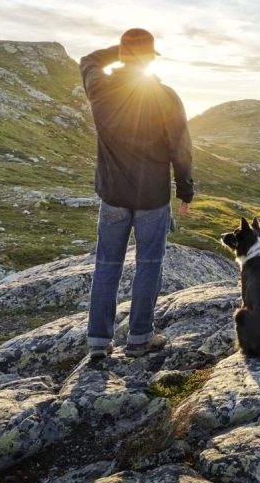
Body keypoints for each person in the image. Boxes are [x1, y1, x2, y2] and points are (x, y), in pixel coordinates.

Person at [80, 27, 194, 360]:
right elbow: (181, 149)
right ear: (148, 58)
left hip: (113, 195)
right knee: (148, 265)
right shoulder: (165, 96)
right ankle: (139, 339)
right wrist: (185, 189)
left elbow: (89, 60)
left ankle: (99, 342)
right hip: (152, 199)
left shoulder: (100, 88)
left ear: (122, 54)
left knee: (107, 265)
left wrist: (124, 52)